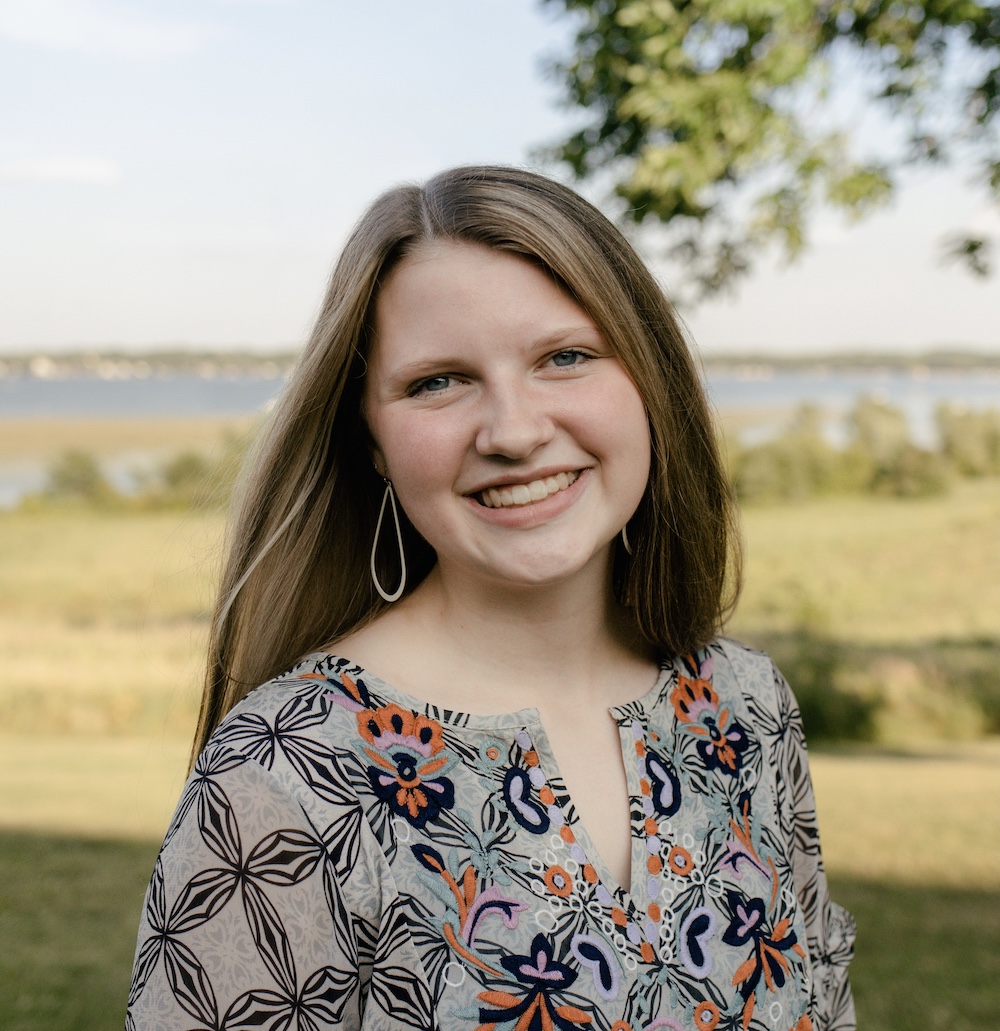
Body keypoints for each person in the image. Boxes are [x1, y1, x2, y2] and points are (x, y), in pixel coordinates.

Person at [127, 166, 855, 1031]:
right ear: (371, 439)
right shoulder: (281, 777)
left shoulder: (747, 708)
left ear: (650, 382)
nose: (513, 431)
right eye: (438, 381)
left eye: (565, 357)